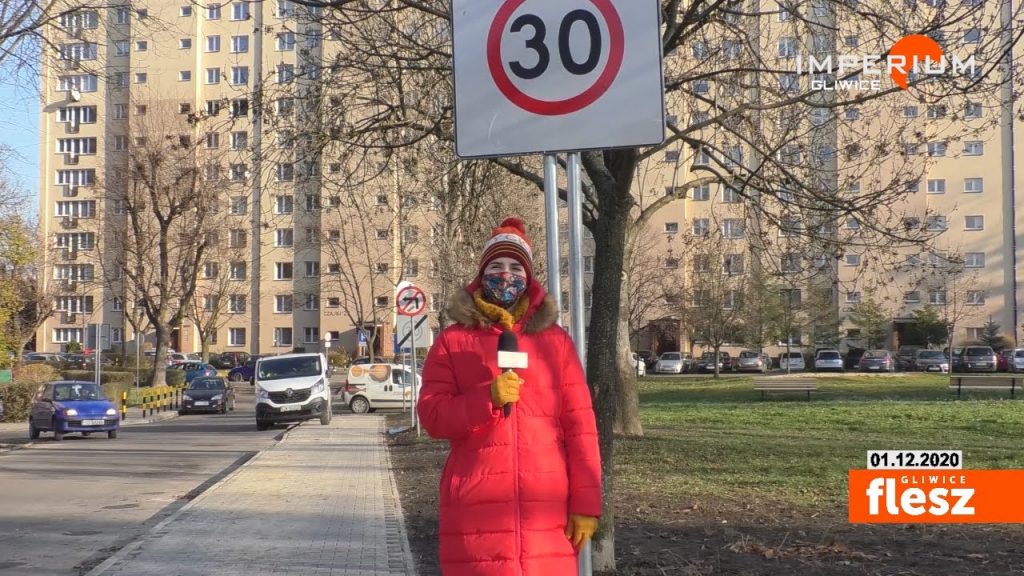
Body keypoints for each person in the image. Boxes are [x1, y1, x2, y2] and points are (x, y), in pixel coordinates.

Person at [418, 217, 602, 575]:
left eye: (516, 267)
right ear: (480, 275)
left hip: (547, 508)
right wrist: (487, 398)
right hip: (476, 509)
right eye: (496, 266)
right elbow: (433, 415)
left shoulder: (554, 342)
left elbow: (581, 428)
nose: (506, 275)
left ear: (529, 277)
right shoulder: (453, 341)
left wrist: (587, 503)